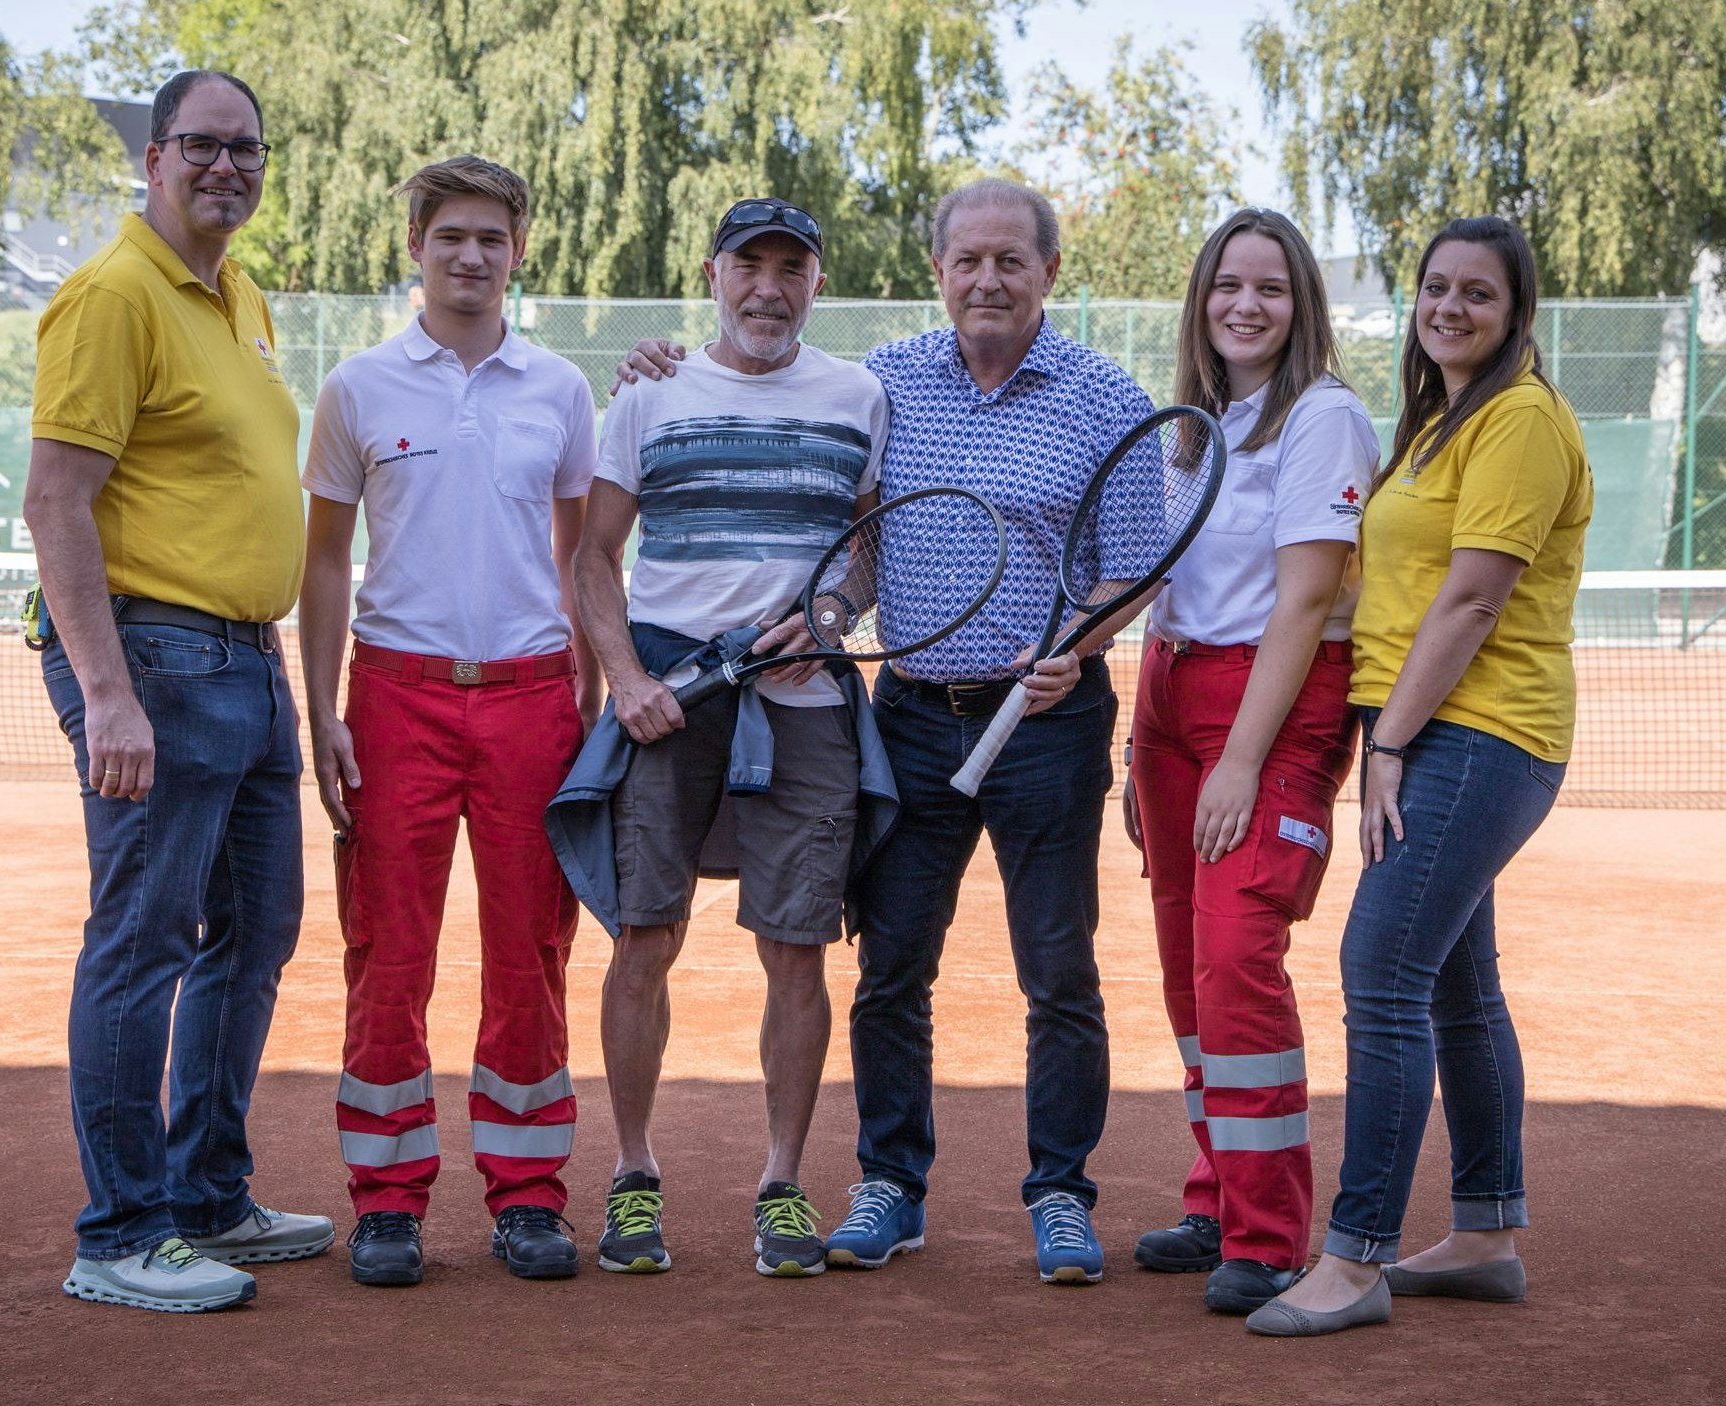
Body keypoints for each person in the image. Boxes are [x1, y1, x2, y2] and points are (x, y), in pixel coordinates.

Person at [625, 179, 1161, 1283]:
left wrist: (1081, 643)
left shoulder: (1107, 395)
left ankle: (1061, 1194)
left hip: (1048, 725)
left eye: (1010, 260)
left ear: (1049, 272)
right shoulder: (889, 384)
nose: (988, 280)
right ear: (939, 271)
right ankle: (891, 1184)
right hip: (912, 717)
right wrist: (830, 611)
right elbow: (863, 540)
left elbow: (1135, 564)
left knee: (1057, 970)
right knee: (890, 966)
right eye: (968, 260)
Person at [1247, 216, 1593, 1337]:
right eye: (1436, 287)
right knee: (1456, 984)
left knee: (1381, 968)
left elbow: (1474, 598)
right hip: (1433, 726)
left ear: (1518, 312)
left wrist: (1388, 743)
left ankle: (1355, 1258)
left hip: (1475, 731)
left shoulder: (1519, 420)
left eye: (1477, 293)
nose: (1449, 307)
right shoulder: (1445, 420)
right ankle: (1486, 1236)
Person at [23, 69, 332, 1313]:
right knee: (143, 939)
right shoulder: (113, 295)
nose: (227, 167)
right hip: (155, 660)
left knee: (255, 932)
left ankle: (207, 1195)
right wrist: (107, 692)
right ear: (153, 159)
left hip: (248, 660)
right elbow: (56, 499)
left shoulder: (238, 294)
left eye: (247, 148)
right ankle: (120, 1230)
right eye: (202, 145)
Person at [298, 156, 602, 1287]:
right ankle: (387, 1201)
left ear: (519, 251)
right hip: (393, 700)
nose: (470, 256)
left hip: (532, 700)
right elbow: (324, 562)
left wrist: (586, 685)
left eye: (490, 238)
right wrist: (321, 708)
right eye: (449, 237)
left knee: (533, 951)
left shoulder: (561, 390)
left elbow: (580, 557)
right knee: (387, 953)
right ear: (416, 248)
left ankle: (528, 1197)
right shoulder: (358, 387)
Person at [571, 198, 889, 1279]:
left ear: (816, 283)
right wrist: (627, 680)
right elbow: (594, 557)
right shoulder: (649, 391)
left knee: (796, 947)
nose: (768, 288)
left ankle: (783, 1183)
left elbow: (867, 549)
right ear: (713, 274)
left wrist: (833, 615)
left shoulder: (858, 396)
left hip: (807, 711)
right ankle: (631, 1173)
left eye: (791, 268)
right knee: (643, 937)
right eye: (749, 265)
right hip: (671, 702)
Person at [1121, 209, 1378, 1315]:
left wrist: (1239, 760)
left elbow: (1307, 600)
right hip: (1169, 694)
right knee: (1188, 970)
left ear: (1300, 303)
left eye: (1270, 287)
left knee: (1236, 960)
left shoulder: (1323, 418)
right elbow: (1164, 584)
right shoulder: (1196, 426)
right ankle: (1221, 1198)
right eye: (1228, 284)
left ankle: (1269, 1237)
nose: (1245, 304)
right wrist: (1140, 741)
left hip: (1268, 707)